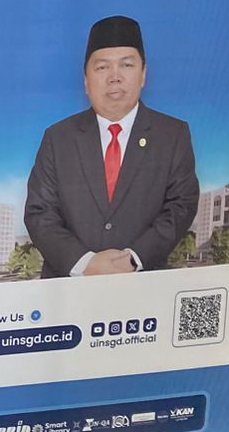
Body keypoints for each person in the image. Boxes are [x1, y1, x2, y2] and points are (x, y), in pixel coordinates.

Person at [25, 15, 198, 278]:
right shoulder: (58, 138)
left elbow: (181, 205)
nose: (115, 77)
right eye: (102, 67)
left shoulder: (173, 135)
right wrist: (86, 263)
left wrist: (133, 259)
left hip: (145, 283)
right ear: (85, 80)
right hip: (69, 286)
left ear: (143, 74)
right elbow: (40, 212)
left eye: (126, 65)